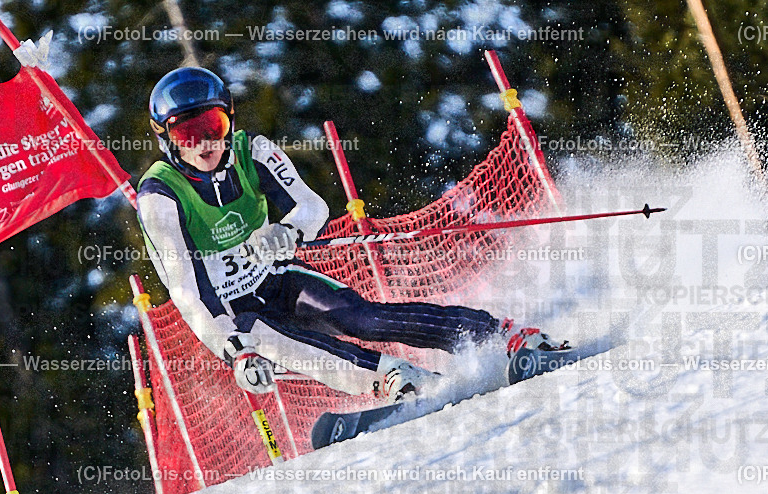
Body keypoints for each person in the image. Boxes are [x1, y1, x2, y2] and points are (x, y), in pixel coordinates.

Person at [136, 66, 566, 403]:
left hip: (278, 279)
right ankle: (393, 379)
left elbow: (312, 208)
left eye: (213, 126)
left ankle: (503, 335)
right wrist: (235, 350)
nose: (203, 144)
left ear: (229, 120)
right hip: (230, 311)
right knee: (273, 339)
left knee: (364, 319)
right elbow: (187, 291)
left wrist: (287, 232)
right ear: (167, 140)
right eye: (186, 133)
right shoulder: (160, 196)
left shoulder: (255, 151)